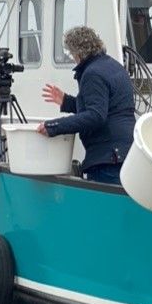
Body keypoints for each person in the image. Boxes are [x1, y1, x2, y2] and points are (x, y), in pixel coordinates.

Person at [38, 26, 136, 185]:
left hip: (107, 158)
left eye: (70, 53)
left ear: (78, 52)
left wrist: (53, 126)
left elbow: (96, 115)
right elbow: (108, 106)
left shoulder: (93, 73)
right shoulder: (114, 66)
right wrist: (67, 102)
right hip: (126, 152)